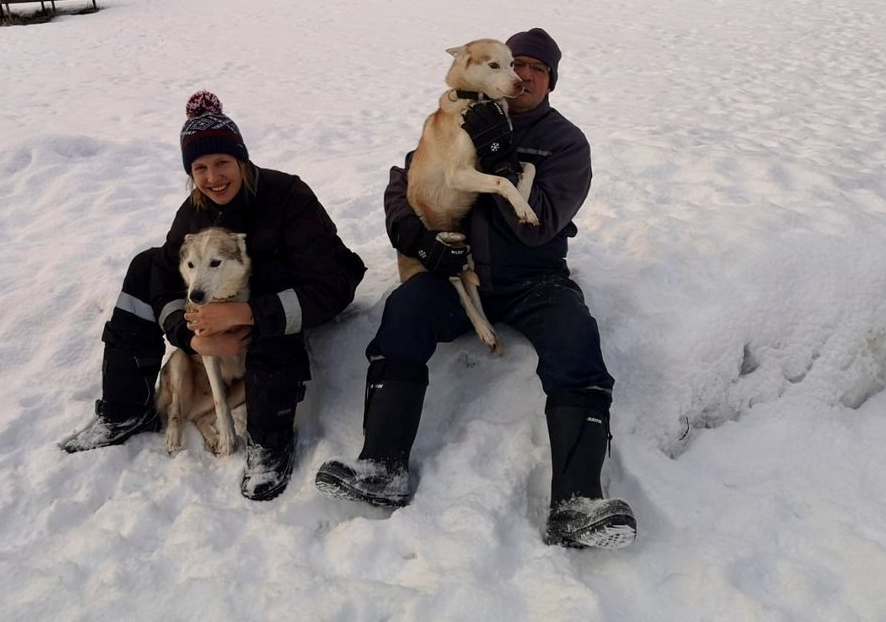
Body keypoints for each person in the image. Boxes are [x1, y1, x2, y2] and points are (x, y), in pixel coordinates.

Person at [315, 28, 636, 549]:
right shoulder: (457, 116)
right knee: (405, 313)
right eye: (516, 63)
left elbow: (542, 223)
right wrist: (416, 236)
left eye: (537, 69)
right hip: (454, 269)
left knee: (576, 343)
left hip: (532, 279)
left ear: (551, 82)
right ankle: (382, 465)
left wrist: (501, 156)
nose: (523, 75)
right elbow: (407, 179)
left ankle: (577, 501)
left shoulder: (565, 143)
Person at [62, 91, 366, 502]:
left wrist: (247, 313)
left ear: (241, 159)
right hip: (233, 310)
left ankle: (269, 441)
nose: (213, 177)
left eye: (222, 163)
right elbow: (166, 278)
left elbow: (330, 284)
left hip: (306, 295)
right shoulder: (194, 210)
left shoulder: (288, 196)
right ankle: (125, 410)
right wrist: (191, 337)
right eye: (200, 168)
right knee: (144, 264)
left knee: (269, 275)